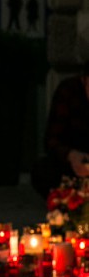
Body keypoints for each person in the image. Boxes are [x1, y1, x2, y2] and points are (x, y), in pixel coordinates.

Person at [31, 60, 89, 199]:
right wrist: (72, 156)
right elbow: (51, 140)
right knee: (43, 171)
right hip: (74, 163)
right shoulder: (68, 91)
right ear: (84, 80)